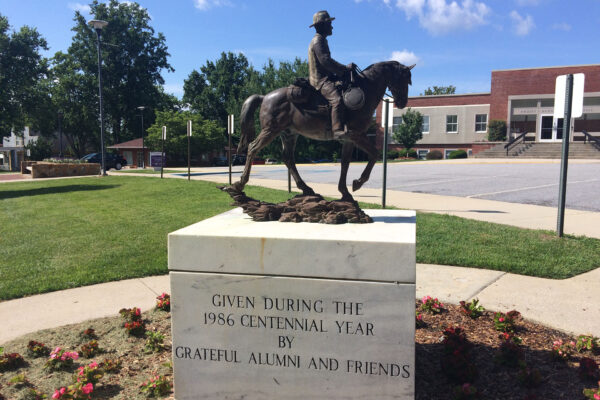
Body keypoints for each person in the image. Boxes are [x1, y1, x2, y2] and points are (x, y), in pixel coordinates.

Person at [308, 10, 355, 140]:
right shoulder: (318, 41)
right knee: (337, 100)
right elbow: (325, 61)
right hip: (320, 80)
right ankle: (337, 130)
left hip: (325, 77)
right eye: (329, 23)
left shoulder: (321, 40)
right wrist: (344, 69)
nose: (332, 26)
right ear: (322, 25)